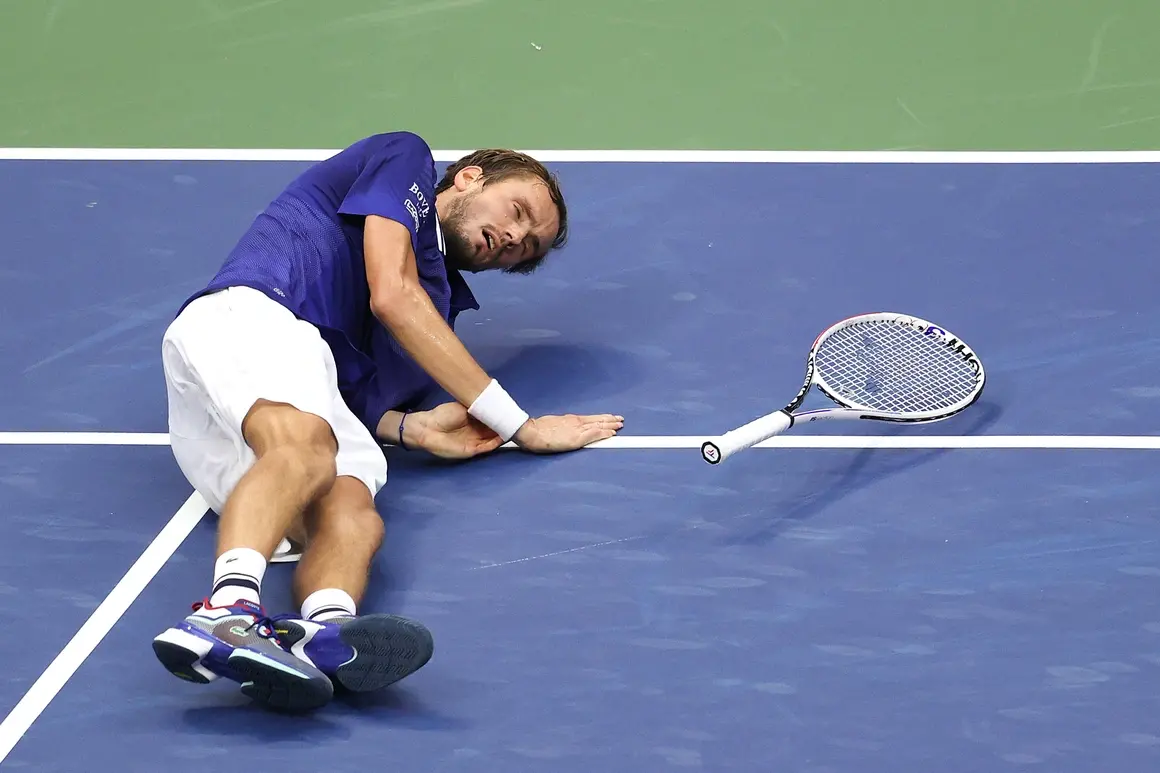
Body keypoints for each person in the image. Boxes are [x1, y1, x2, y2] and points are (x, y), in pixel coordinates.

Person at [151, 131, 624, 712]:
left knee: (353, 507)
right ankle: (226, 613)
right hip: (252, 316)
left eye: (524, 249)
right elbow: (391, 297)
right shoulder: (405, 159)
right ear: (470, 176)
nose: (513, 239)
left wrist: (409, 429)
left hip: (295, 388)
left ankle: (321, 631)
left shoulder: (438, 307)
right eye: (517, 212)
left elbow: (356, 401)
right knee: (306, 450)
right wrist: (519, 427)